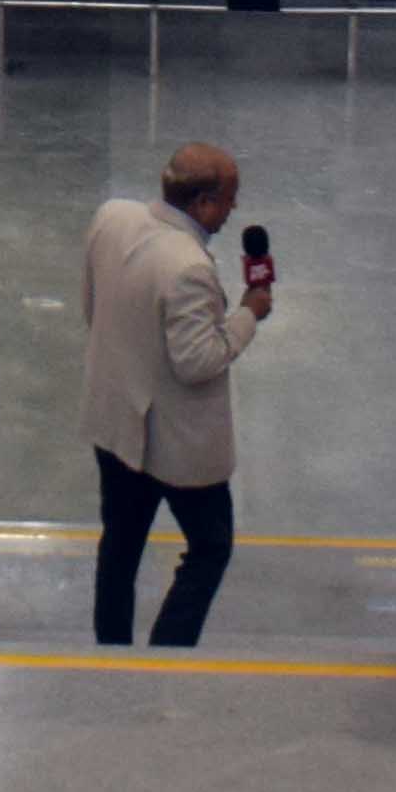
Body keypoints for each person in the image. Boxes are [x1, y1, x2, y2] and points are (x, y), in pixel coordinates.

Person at [78, 141, 267, 647]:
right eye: (228, 198)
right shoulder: (188, 267)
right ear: (202, 203)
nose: (233, 208)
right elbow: (197, 361)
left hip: (115, 420)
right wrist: (249, 313)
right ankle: (168, 652)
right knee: (210, 546)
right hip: (176, 444)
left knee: (120, 546)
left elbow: (93, 308)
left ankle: (111, 653)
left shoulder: (112, 217)